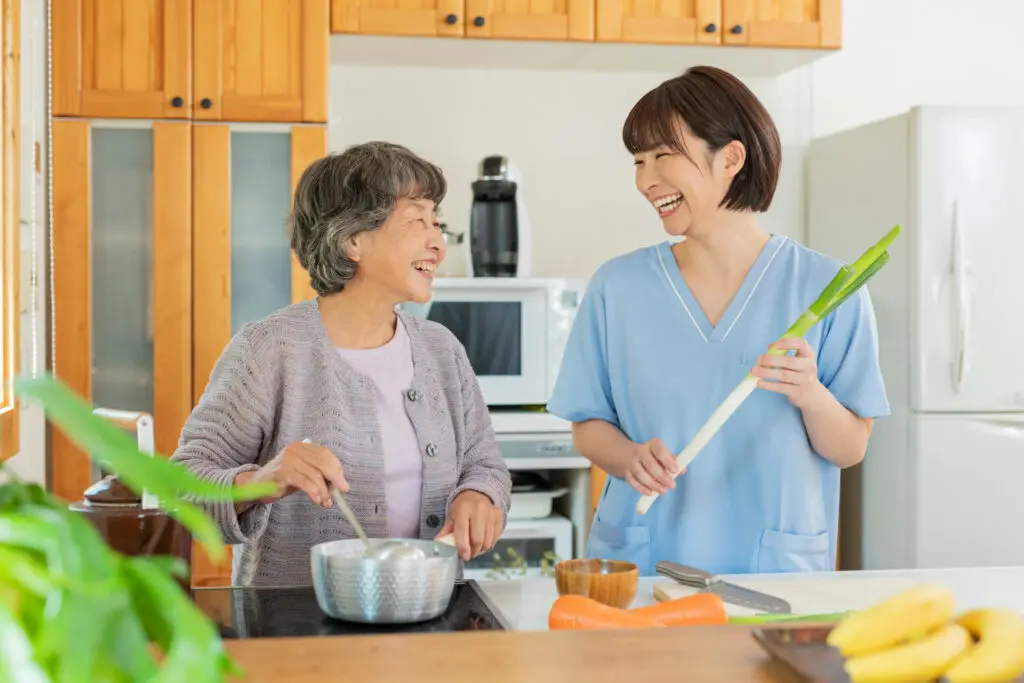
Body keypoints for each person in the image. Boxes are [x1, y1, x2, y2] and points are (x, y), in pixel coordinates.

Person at [546, 66, 889, 577]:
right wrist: (628, 458)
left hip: (772, 572)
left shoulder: (827, 289)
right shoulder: (617, 288)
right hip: (642, 567)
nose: (645, 179)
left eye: (663, 155)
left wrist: (810, 394)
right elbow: (588, 427)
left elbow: (848, 450)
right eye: (638, 161)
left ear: (730, 157)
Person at [171, 141, 512, 587]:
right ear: (353, 239)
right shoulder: (269, 348)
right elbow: (181, 487)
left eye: (437, 221)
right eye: (416, 220)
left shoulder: (441, 349)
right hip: (296, 629)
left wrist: (479, 495)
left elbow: (486, 466)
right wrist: (262, 480)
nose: (438, 242)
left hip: (427, 614)